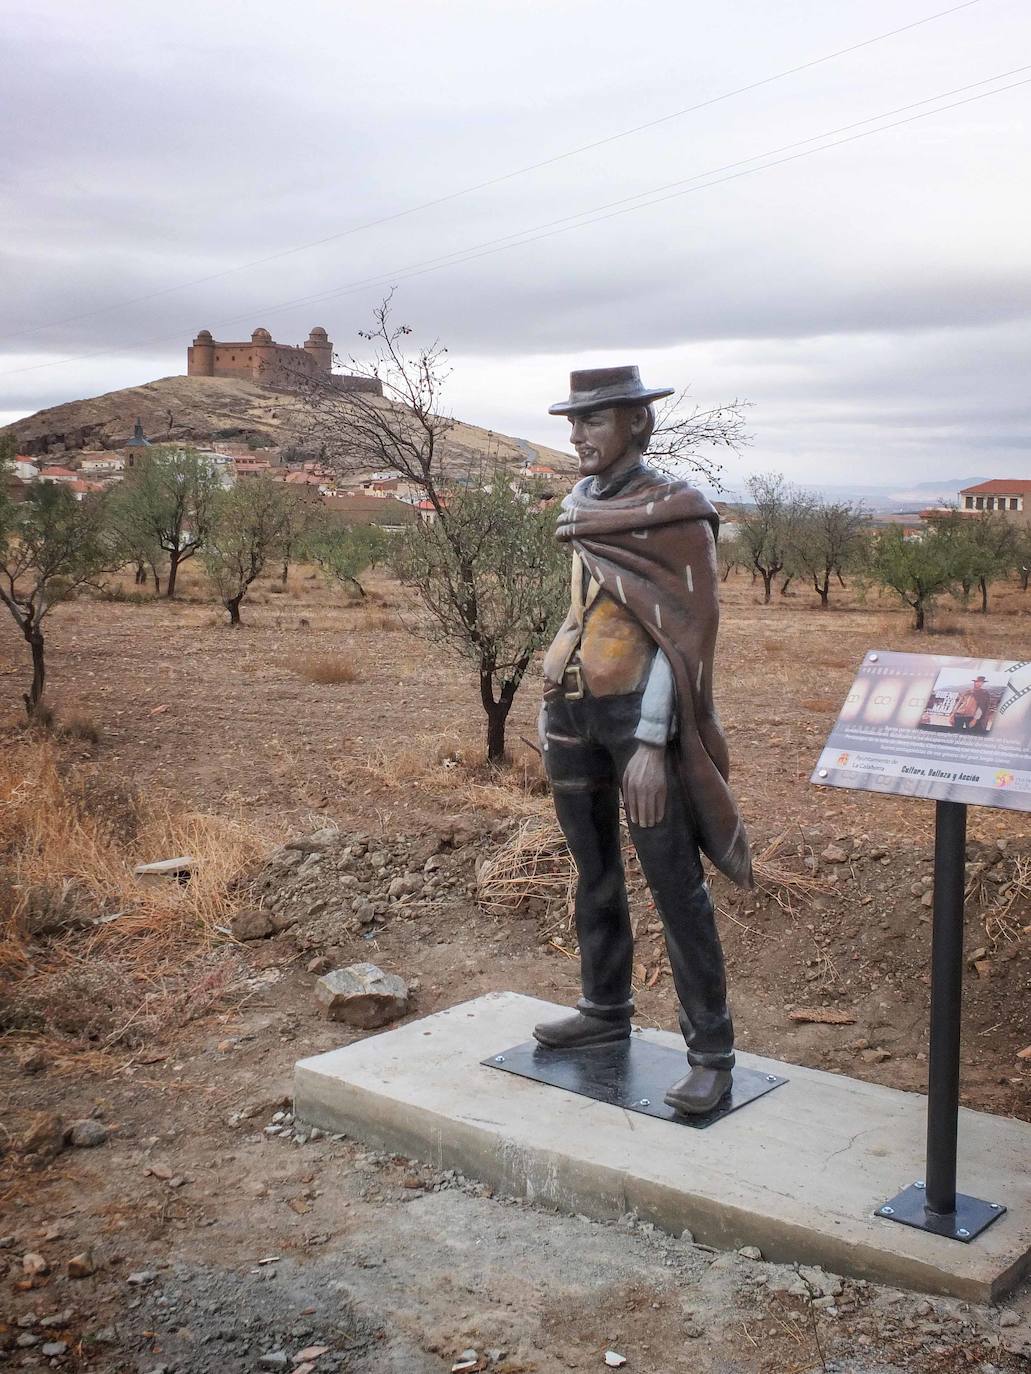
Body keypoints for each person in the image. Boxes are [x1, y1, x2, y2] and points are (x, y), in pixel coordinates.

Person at [532, 366, 752, 1115]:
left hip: (638, 720)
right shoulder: (581, 507)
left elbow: (684, 638)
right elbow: (584, 612)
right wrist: (548, 702)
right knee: (592, 870)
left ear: (637, 423)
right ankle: (603, 1010)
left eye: (592, 420)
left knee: (673, 883)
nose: (577, 435)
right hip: (572, 714)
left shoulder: (676, 513)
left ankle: (711, 1055)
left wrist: (654, 742)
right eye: (573, 421)